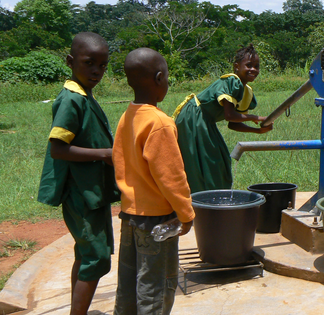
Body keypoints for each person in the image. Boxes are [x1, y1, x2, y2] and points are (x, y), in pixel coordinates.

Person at [37, 32, 120, 315]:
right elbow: (59, 149)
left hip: (91, 190)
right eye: (89, 63)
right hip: (81, 192)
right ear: (71, 62)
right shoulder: (72, 99)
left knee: (86, 253)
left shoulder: (84, 95)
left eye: (103, 65)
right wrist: (104, 154)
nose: (97, 71)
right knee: (96, 257)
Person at [112, 48, 195, 314]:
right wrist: (186, 214)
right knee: (155, 287)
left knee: (128, 284)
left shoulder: (127, 117)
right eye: (168, 77)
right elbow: (171, 177)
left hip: (130, 217)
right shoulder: (160, 123)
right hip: (157, 221)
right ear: (159, 78)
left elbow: (120, 161)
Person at [173, 44, 273, 193]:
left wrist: (258, 131)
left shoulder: (245, 91)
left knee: (219, 159)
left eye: (256, 66)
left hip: (206, 121)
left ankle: (213, 196)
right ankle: (199, 199)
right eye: (249, 65)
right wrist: (254, 117)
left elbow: (232, 124)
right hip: (194, 117)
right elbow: (229, 115)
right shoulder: (231, 82)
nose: (253, 69)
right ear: (237, 66)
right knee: (201, 161)